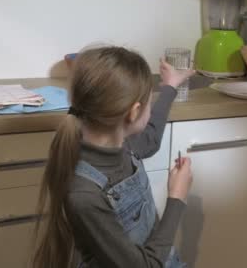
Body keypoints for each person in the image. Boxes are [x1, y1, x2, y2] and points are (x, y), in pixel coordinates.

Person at [32, 46, 195, 268]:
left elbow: (152, 136)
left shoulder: (124, 145)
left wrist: (169, 87)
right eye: (148, 101)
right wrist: (177, 197)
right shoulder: (83, 193)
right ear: (134, 112)